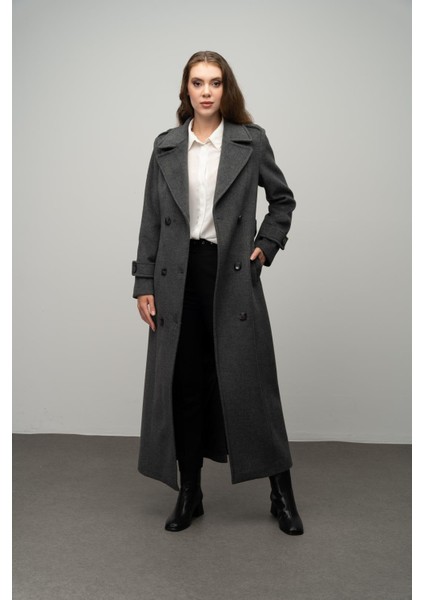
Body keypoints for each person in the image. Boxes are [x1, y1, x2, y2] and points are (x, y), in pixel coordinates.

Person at [132, 51, 303, 535]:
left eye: (214, 82)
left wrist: (266, 245)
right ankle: (191, 492)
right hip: (176, 277)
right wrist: (144, 283)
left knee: (252, 386)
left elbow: (282, 200)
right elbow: (151, 219)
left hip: (230, 273)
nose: (206, 91)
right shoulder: (166, 146)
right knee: (184, 385)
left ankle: (281, 495)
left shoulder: (250, 140)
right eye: (197, 82)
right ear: (185, 90)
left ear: (226, 89)